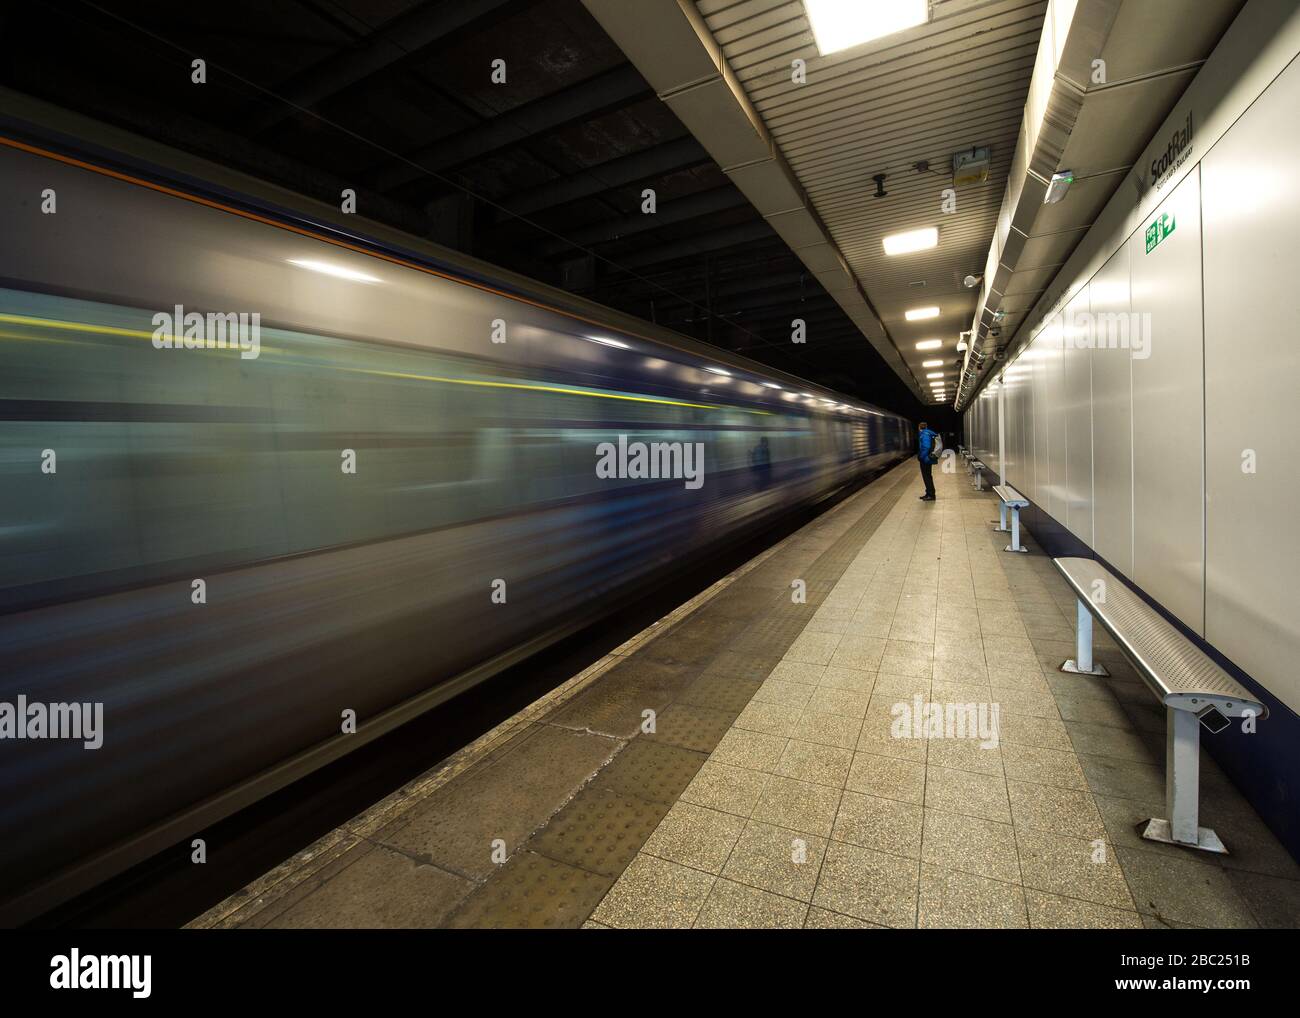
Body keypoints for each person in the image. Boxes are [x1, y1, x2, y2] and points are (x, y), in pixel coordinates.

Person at [917, 421, 939, 501]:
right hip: (928, 458)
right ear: (926, 427)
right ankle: (928, 493)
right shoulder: (928, 433)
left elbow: (926, 447)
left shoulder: (925, 434)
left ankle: (931, 495)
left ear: (919, 427)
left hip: (926, 459)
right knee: (928, 476)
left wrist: (921, 457)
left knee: (927, 477)